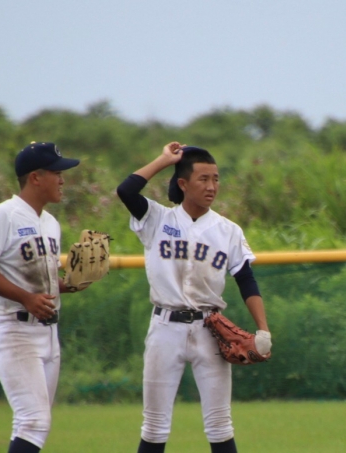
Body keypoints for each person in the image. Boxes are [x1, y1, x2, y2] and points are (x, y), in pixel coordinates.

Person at [116, 142, 272, 453]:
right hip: (165, 328)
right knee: (154, 427)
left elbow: (246, 279)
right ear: (183, 184)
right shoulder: (157, 219)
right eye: (203, 179)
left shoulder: (228, 230)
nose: (212, 186)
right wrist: (164, 159)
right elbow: (126, 190)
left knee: (220, 425)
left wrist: (263, 329)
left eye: (216, 179)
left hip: (209, 329)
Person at [0, 142, 84, 453]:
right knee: (33, 422)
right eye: (57, 173)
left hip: (48, 332)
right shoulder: (2, 215)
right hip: (13, 331)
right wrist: (25, 298)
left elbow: (41, 280)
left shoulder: (50, 223)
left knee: (36, 424)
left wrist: (69, 284)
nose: (62, 180)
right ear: (35, 177)